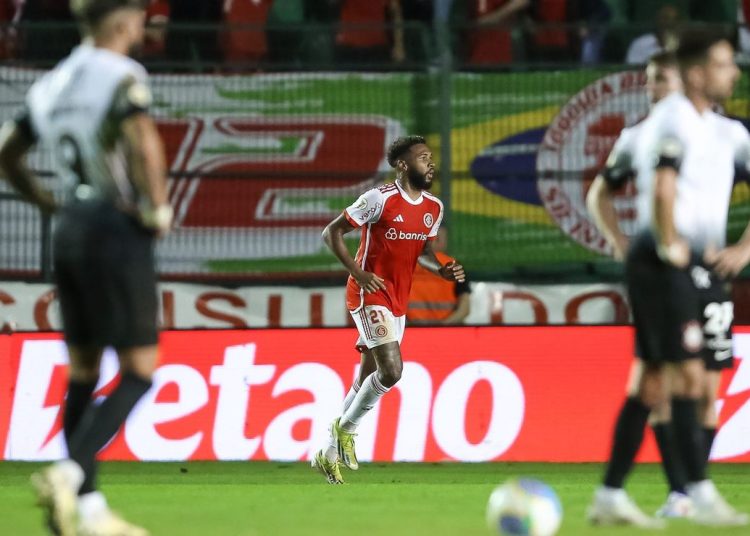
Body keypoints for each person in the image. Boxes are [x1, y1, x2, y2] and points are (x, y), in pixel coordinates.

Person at [0, 1, 171, 534]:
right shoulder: (121, 73)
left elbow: (7, 152)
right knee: (140, 369)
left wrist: (49, 205)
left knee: (83, 371)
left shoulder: (51, 82)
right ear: (122, 23)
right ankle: (70, 472)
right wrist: (157, 208)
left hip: (70, 228)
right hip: (114, 226)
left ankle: (91, 512)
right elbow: (142, 139)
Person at [587, 30, 750, 528]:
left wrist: (742, 250)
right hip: (665, 265)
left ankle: (612, 493)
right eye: (725, 65)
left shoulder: (725, 132)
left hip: (699, 267)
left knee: (657, 378)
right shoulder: (671, 121)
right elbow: (661, 183)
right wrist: (664, 243)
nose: (735, 73)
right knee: (682, 373)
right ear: (698, 74)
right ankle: (694, 490)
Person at [312, 135, 465, 484]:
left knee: (367, 375)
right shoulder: (378, 200)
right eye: (422, 158)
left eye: (430, 157)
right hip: (369, 292)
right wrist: (358, 272)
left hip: (398, 299)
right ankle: (345, 430)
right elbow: (331, 232)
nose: (430, 163)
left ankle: (328, 450)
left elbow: (423, 251)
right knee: (392, 371)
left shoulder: (433, 207)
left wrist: (440, 268)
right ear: (402, 165)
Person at [407, 226, 471, 325]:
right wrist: (443, 326)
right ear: (438, 240)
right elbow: (465, 307)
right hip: (446, 330)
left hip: (412, 329)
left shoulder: (407, 264)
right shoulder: (454, 265)